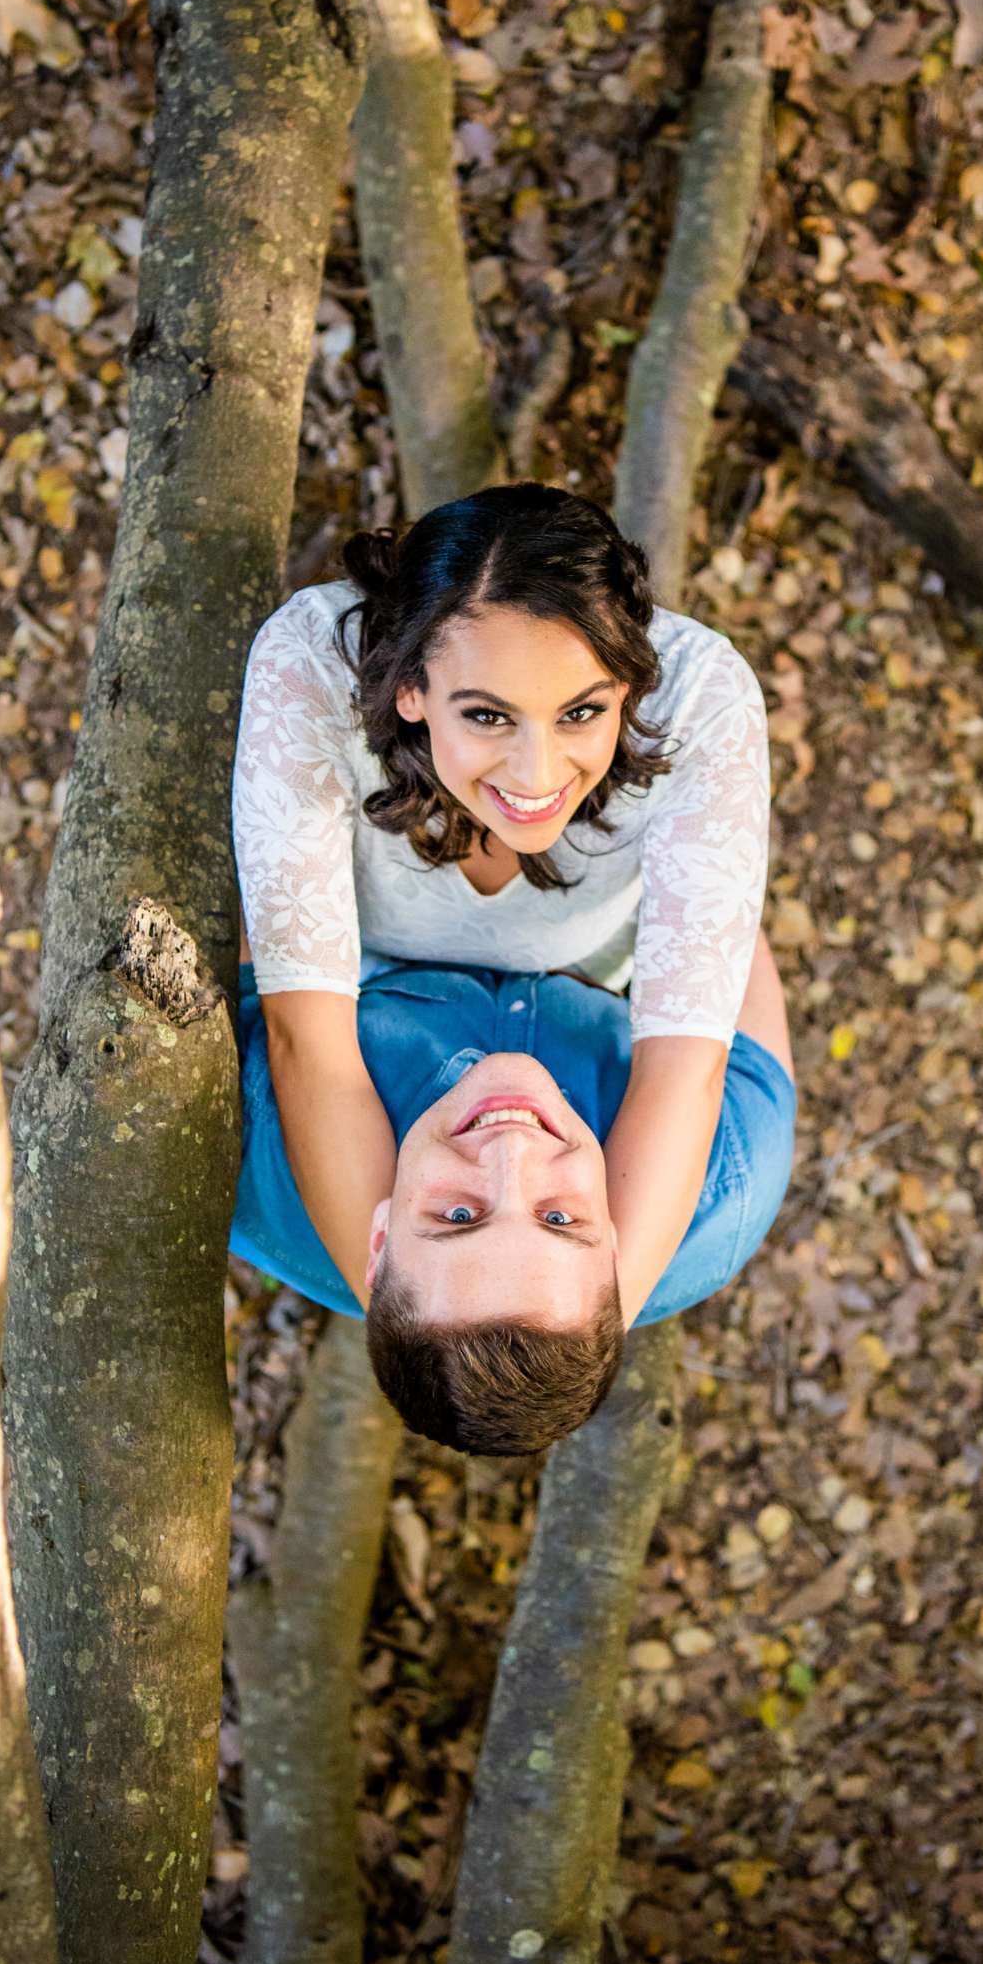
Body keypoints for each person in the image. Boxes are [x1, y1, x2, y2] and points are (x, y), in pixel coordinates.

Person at [231, 482, 787, 1447]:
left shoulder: (248, 1167)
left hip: (372, 981)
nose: (535, 780)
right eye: (488, 716)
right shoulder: (727, 1188)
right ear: (410, 691)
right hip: (597, 985)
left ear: (378, 1247)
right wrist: (701, 893)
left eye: (454, 1215)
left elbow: (297, 1031)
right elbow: (703, 1050)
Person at [228, 940, 797, 1454]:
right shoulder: (733, 1174)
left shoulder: (244, 1138)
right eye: (557, 1217)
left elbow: (246, 893)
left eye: (459, 1215)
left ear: (377, 1242)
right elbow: (728, 925)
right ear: (617, 1259)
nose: (512, 1151)